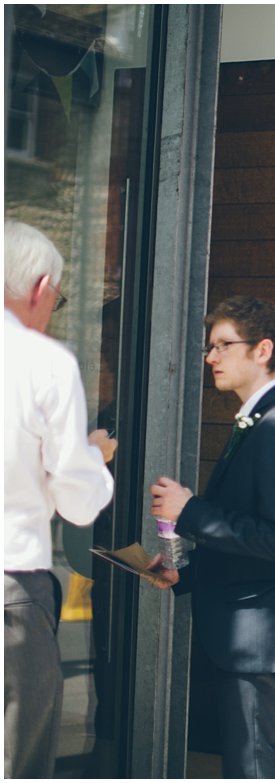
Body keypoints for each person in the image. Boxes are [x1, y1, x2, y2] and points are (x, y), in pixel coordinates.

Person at [147, 296, 275, 778]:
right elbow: (250, 532)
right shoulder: (256, 422)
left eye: (223, 345)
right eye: (209, 346)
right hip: (241, 632)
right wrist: (186, 572)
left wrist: (189, 510)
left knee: (252, 768)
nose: (210, 357)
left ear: (262, 350)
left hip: (256, 636)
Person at [4, 220, 117, 777]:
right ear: (41, 287)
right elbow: (77, 501)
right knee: (18, 757)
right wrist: (93, 456)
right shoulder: (44, 363)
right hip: (11, 593)